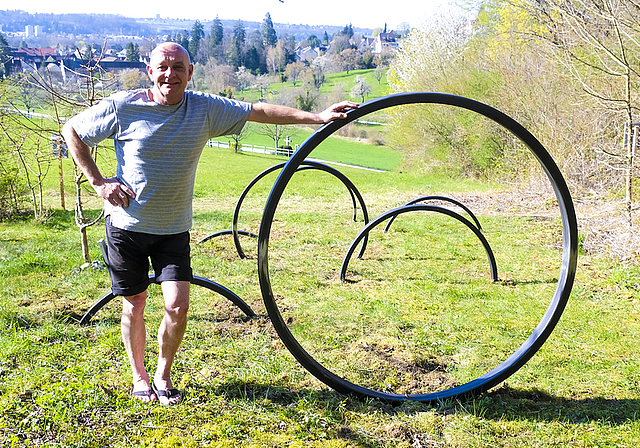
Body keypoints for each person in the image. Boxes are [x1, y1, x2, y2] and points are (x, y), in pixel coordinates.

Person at [62, 42, 358, 406]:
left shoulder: (203, 108)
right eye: (162, 66)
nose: (169, 73)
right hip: (127, 227)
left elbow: (258, 110)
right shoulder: (124, 106)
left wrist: (316, 117)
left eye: (177, 67)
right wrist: (98, 181)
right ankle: (139, 378)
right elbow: (72, 130)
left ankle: (163, 373)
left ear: (190, 72)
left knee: (178, 305)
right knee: (134, 303)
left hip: (173, 228)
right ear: (150, 70)